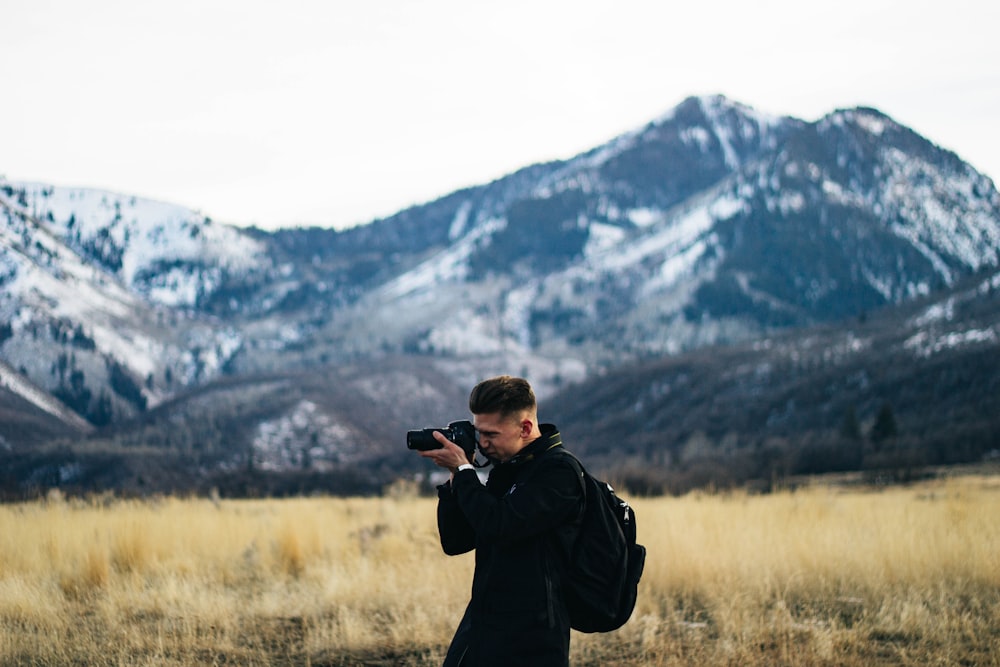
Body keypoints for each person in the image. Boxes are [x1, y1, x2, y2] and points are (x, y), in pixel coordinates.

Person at [417, 375, 584, 667]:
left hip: (532, 639)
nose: (482, 444)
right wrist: (456, 478)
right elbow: (457, 541)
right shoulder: (508, 470)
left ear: (526, 427)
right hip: (484, 623)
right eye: (479, 433)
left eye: (491, 435)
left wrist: (466, 471)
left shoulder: (559, 473)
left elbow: (501, 526)